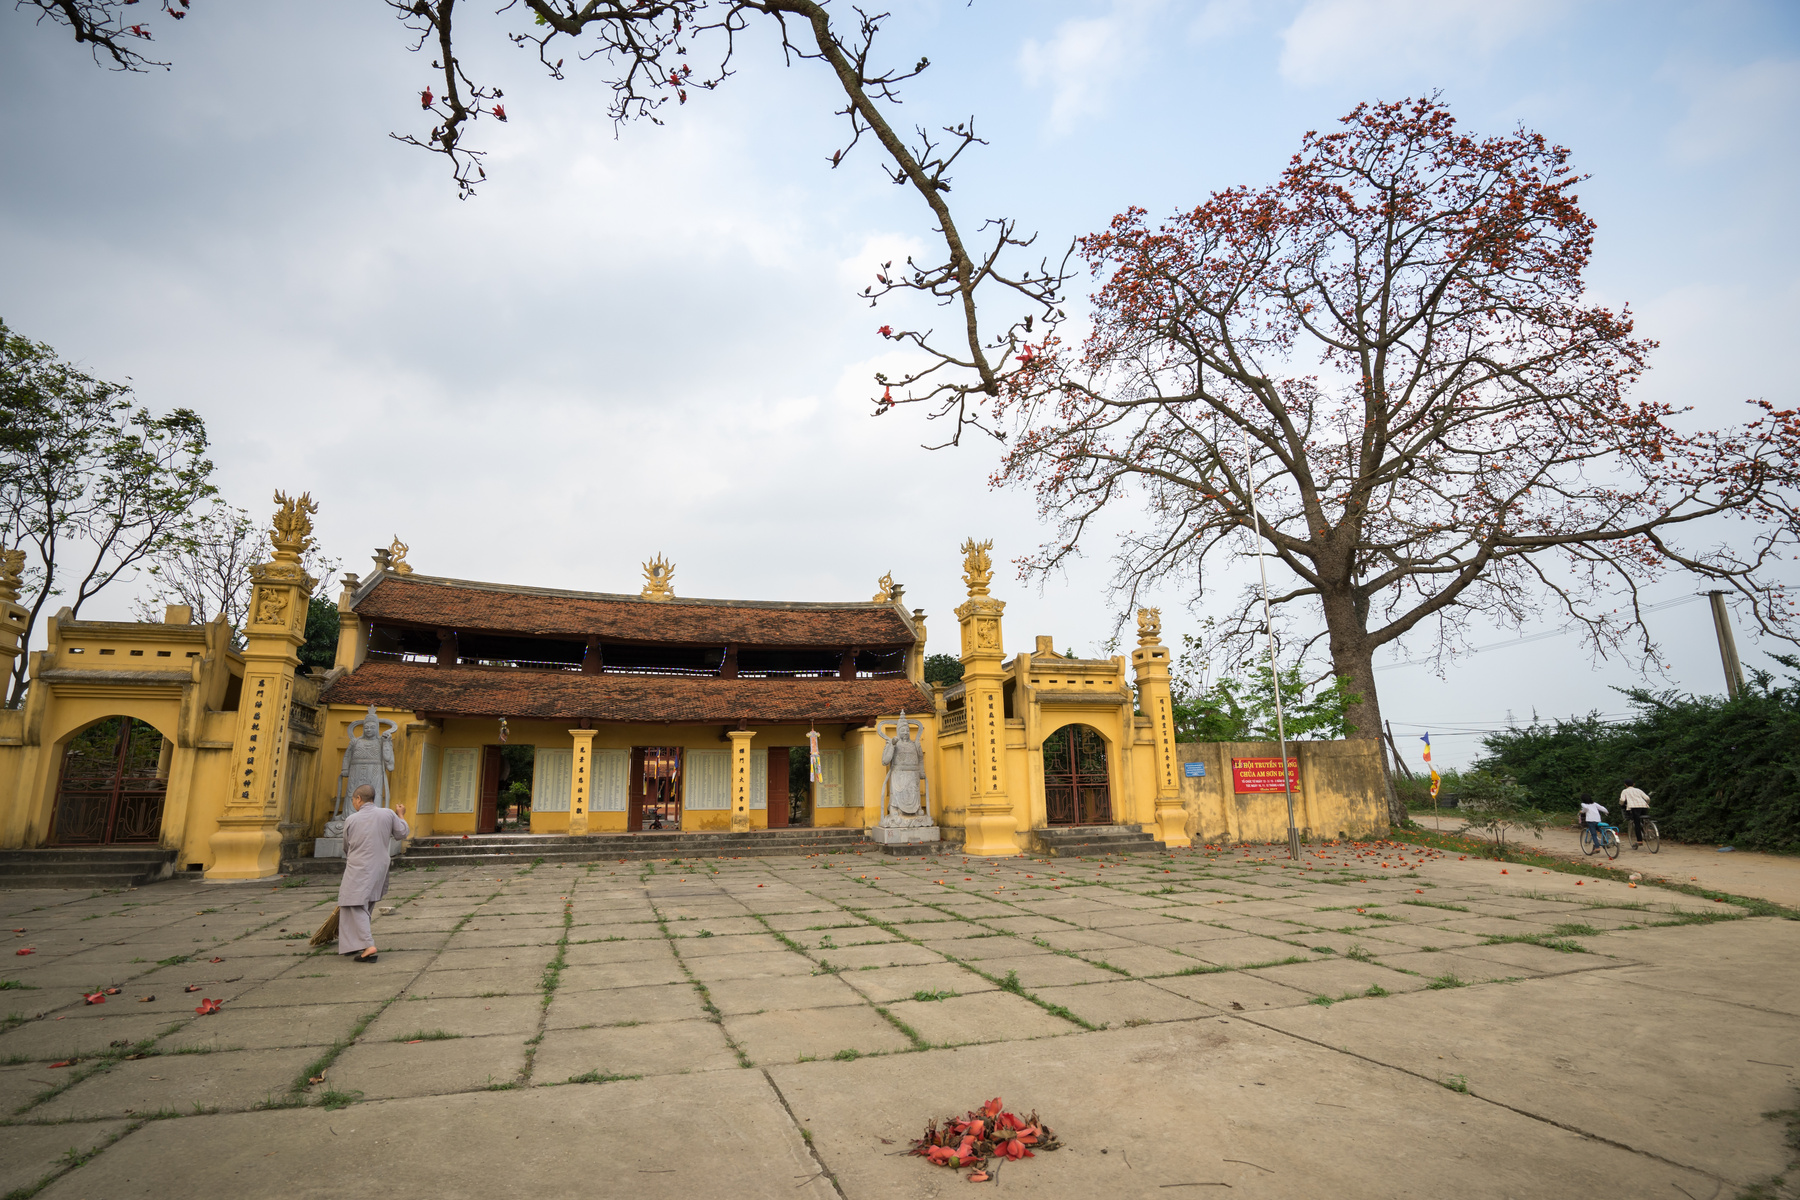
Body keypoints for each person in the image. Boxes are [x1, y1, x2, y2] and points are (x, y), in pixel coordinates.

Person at [337, 784, 408, 963]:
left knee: (352, 903)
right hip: (381, 865)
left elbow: (347, 846)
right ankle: (357, 943)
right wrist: (401, 815)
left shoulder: (352, 819)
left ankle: (368, 945)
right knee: (366, 902)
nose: (353, 803)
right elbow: (402, 833)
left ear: (359, 799)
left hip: (359, 865)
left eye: (353, 799)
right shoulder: (387, 813)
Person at [1619, 780, 1652, 848]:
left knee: (1637, 823)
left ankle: (1639, 841)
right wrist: (1647, 803)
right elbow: (1647, 798)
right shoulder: (1638, 790)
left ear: (1625, 785)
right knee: (1644, 820)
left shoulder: (1625, 791)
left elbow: (1622, 800)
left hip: (1634, 808)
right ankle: (1647, 830)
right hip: (1643, 806)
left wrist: (1621, 804)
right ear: (1634, 784)